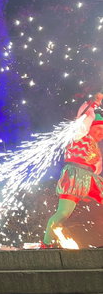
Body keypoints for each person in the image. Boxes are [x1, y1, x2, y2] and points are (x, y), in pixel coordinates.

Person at [42, 93, 103, 247]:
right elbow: (84, 117)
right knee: (63, 213)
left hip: (89, 179)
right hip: (74, 176)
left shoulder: (96, 148)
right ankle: (46, 243)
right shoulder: (80, 134)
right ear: (91, 127)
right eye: (99, 129)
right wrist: (94, 103)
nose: (101, 133)